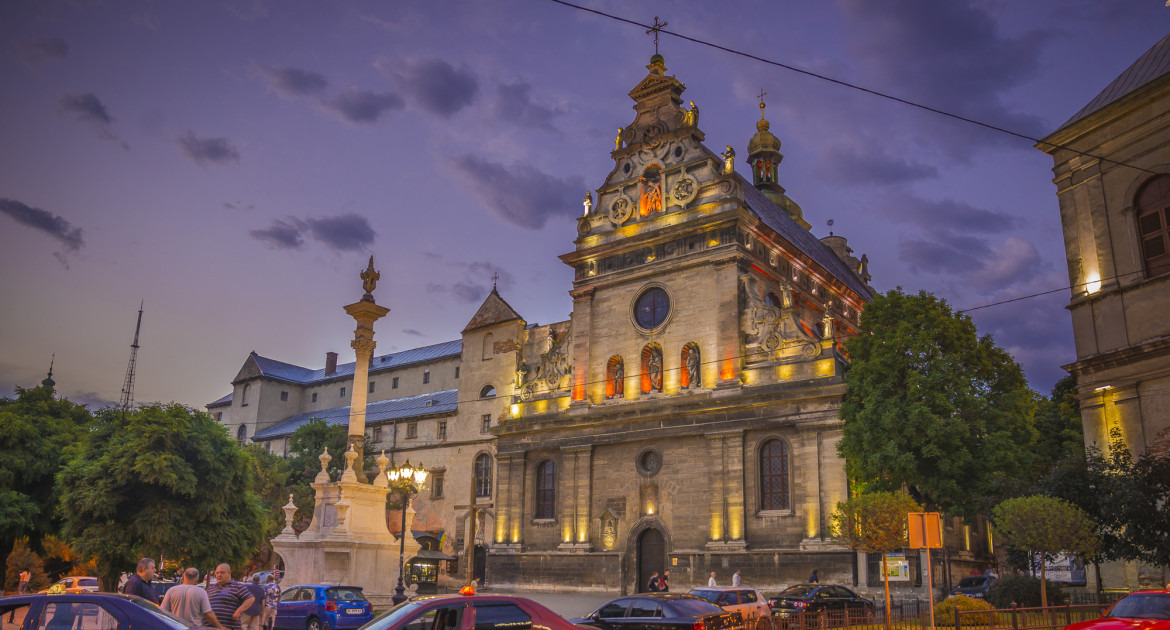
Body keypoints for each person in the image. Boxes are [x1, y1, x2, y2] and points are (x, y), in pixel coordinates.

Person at [208, 564, 255, 630]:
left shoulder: (237, 586)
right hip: (210, 627)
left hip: (229, 627)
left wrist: (238, 611)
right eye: (217, 573)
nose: (219, 575)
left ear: (229, 572)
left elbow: (250, 599)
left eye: (222, 572)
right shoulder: (211, 587)